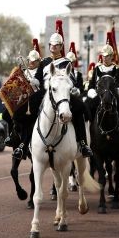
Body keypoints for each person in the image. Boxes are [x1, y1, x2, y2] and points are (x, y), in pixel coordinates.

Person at [38, 22, 93, 157]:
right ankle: (24, 144)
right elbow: (38, 80)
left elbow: (72, 79)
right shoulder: (44, 62)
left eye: (56, 45)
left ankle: (83, 143)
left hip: (62, 93)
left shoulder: (66, 62)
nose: (53, 47)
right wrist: (33, 80)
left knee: (79, 108)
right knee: (27, 109)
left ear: (61, 47)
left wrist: (72, 87)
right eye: (51, 45)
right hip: (45, 94)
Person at [86, 44, 119, 148]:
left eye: (107, 56)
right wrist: (92, 93)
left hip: (113, 97)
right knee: (86, 107)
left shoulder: (117, 69)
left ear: (112, 56)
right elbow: (91, 85)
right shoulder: (97, 69)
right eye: (103, 56)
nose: (105, 58)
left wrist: (118, 92)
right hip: (99, 97)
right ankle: (85, 137)